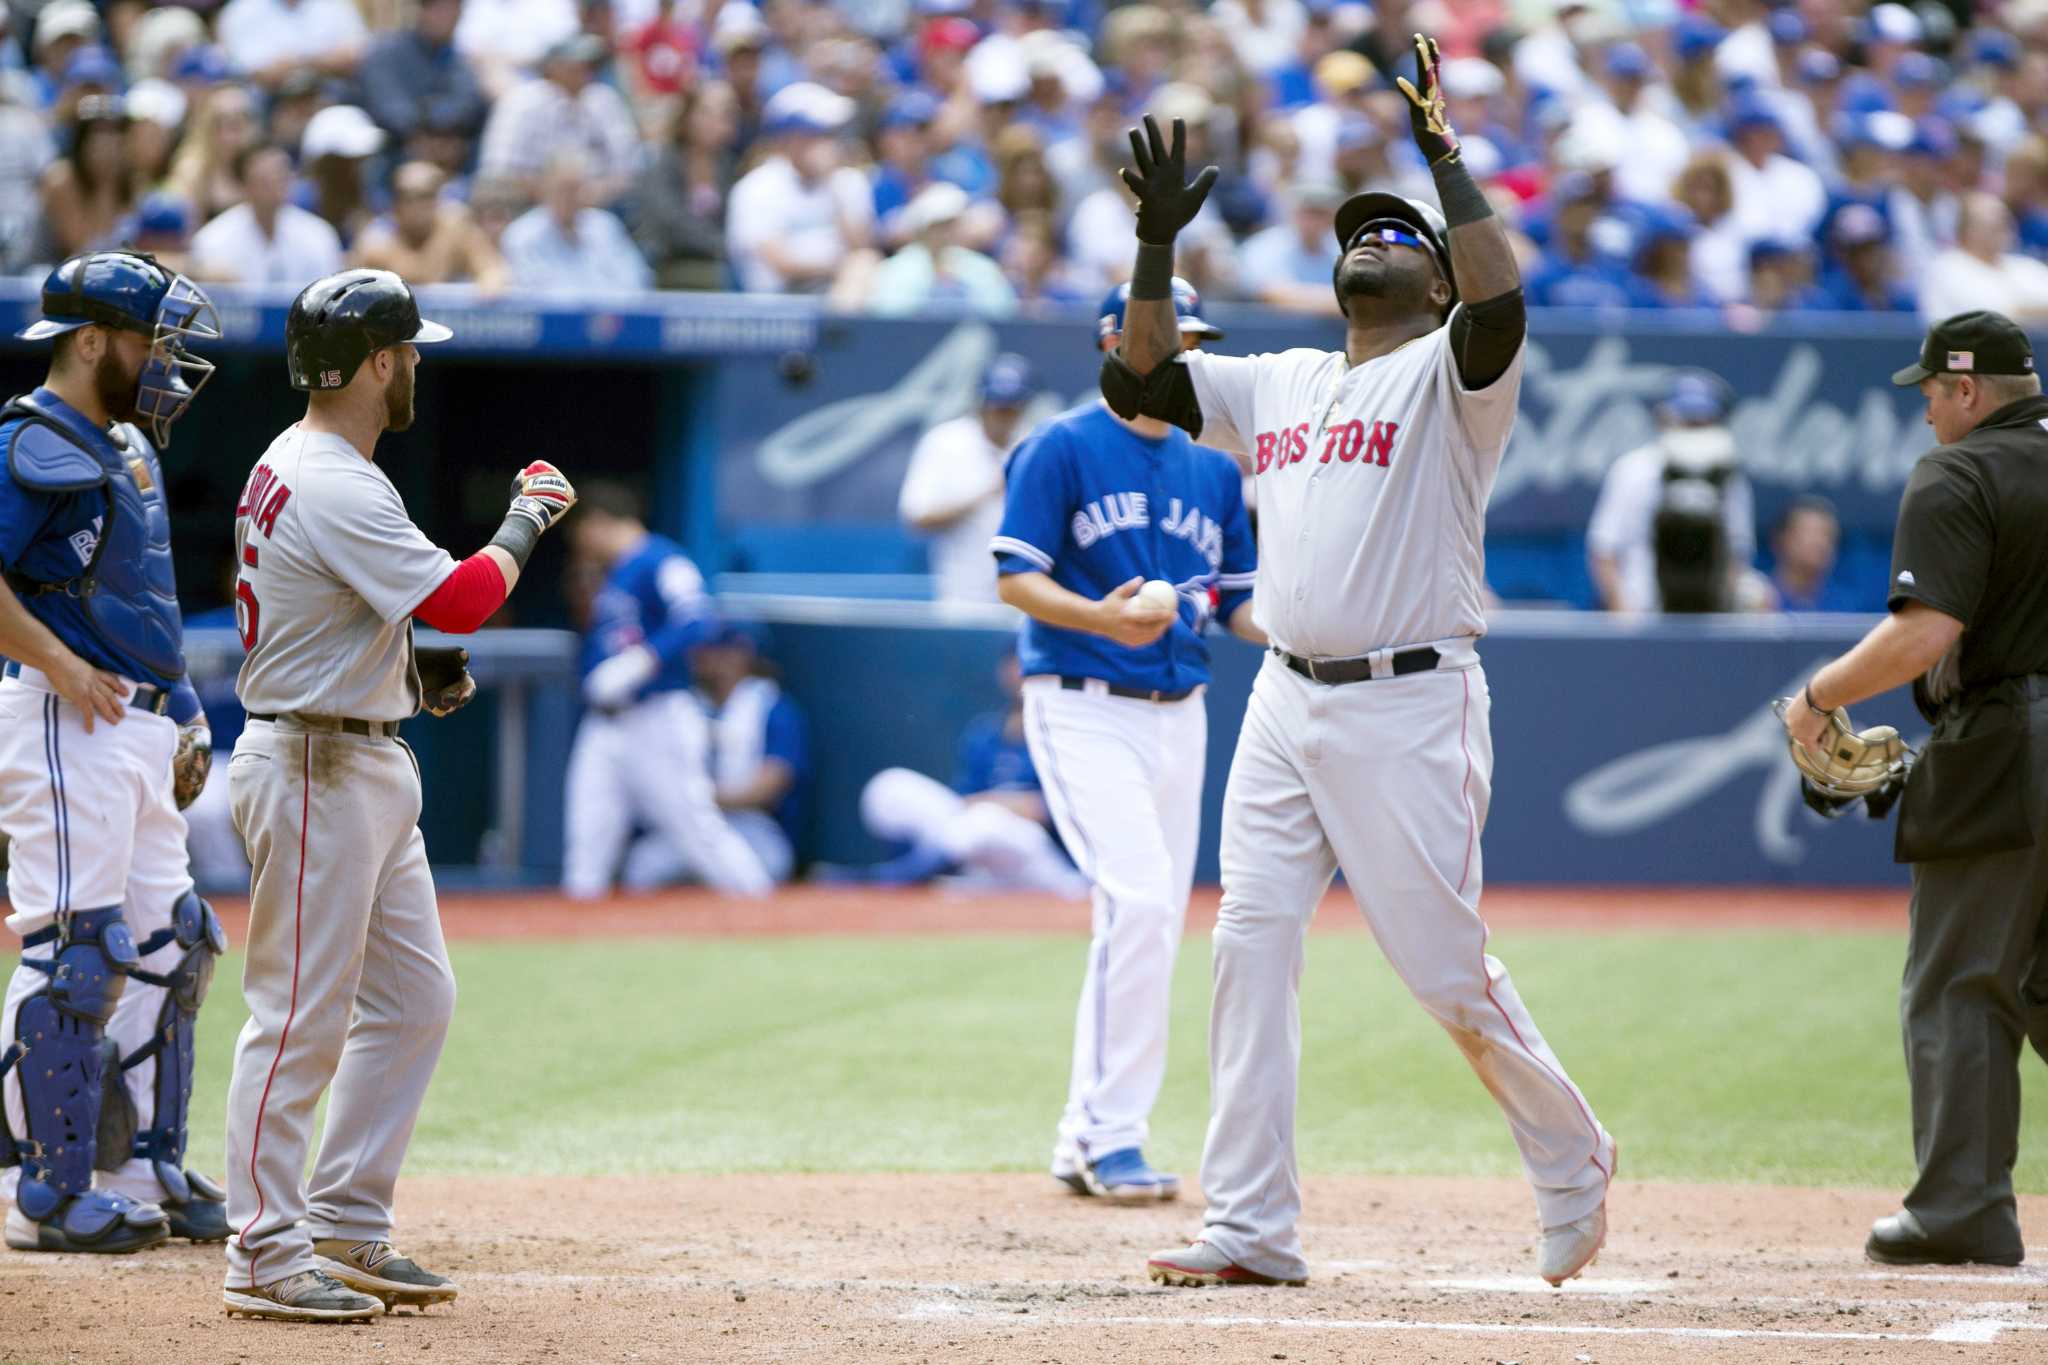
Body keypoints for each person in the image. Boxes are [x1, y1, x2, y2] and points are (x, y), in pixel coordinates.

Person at [1106, 40, 1615, 1292]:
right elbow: (1142, 380)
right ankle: (1250, 1226)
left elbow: (1503, 306)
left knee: (1442, 968)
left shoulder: (1452, 372)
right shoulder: (1278, 378)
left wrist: (1441, 156)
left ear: (1436, 283)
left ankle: (1571, 1163)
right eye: (1357, 229)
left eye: (1400, 235)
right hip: (1285, 695)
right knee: (1246, 943)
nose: (1371, 238)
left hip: (1410, 698)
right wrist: (1156, 249)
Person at [221, 270, 576, 1321]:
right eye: (409, 350)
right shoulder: (331, 475)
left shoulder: (309, 463)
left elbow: (329, 613)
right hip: (315, 764)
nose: (417, 363)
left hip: (355, 746)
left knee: (415, 1000)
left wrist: (408, 667)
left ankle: (341, 1217)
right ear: (377, 361)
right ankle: (264, 1251)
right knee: (294, 1023)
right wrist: (527, 517)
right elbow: (466, 594)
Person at [1780, 310, 2048, 1268]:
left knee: (1962, 984)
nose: (1927, 406)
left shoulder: (1959, 470)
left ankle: (1963, 1209)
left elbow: (1924, 632)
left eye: (1933, 389)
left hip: (2011, 741)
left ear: (1969, 390)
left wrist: (1815, 698)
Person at [993, 274, 1260, 1205]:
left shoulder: (1216, 465)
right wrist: (1101, 622)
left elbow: (1237, 605)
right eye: (1168, 335)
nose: (1184, 351)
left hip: (1178, 710)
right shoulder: (1061, 446)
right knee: (1142, 901)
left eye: (1194, 339)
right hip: (1079, 701)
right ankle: (1109, 1136)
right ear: (1118, 343)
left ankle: (1087, 1134)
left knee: (1151, 914)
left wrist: (1325, 622)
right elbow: (1014, 581)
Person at [0, 251, 227, 1254]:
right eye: (152, 342)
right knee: (77, 952)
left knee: (175, 942)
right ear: (92, 342)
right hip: (64, 712)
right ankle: (47, 1195)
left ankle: (141, 1166)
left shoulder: (125, 441)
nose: (167, 363)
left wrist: (182, 708)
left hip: (134, 717)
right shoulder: (31, 437)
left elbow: (142, 596)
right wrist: (59, 664)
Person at [561, 481, 773, 900]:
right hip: (606, 724)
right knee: (587, 840)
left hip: (658, 715)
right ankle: (576, 940)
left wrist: (642, 661)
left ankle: (761, 909)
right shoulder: (616, 572)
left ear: (600, 523)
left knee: (697, 829)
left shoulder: (662, 558)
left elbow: (698, 618)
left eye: (583, 532)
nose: (582, 544)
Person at [854, 650, 1087, 898]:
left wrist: (992, 804)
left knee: (987, 820)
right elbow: (962, 799)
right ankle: (925, 867)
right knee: (891, 785)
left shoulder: (1067, 735)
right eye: (1015, 662)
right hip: (977, 848)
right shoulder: (986, 731)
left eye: (1030, 663)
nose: (1021, 672)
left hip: (1047, 864)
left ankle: (901, 876)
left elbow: (1048, 810)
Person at [622, 624, 810, 887]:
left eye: (716, 649)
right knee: (643, 868)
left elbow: (772, 782)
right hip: (690, 825)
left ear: (741, 653)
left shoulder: (770, 705)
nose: (703, 656)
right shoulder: (683, 705)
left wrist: (699, 797)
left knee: (765, 866)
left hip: (750, 826)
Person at [1587, 370, 1759, 614]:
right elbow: (1604, 549)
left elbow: (1737, 555)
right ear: (1665, 418)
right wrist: (1623, 614)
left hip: (1708, 616)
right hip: (1643, 614)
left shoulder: (1731, 478)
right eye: (1686, 419)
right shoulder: (1633, 470)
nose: (1693, 428)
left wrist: (1724, 615)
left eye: (1702, 421)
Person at [899, 352, 1035, 604]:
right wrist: (987, 490)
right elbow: (917, 516)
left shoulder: (1035, 444)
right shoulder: (946, 442)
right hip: (962, 598)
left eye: (1011, 408)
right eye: (997, 407)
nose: (1003, 416)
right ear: (980, 404)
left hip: (1024, 600)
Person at [189, 144, 344, 285]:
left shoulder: (319, 235)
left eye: (281, 176)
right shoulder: (213, 240)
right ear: (244, 185)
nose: (275, 184)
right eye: (264, 179)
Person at [500, 151, 652, 293]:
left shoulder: (605, 225)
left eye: (579, 188)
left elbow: (637, 280)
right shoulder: (522, 235)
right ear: (545, 188)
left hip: (611, 317)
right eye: (565, 189)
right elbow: (536, 295)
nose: (573, 197)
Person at [352, 161, 508, 289]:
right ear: (395, 204)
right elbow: (355, 289)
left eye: (426, 196)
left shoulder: (457, 229)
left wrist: (490, 281)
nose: (418, 206)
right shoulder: (376, 242)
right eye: (408, 198)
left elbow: (492, 269)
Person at [1768, 496, 1858, 612]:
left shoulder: (1845, 606)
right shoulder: (1758, 601)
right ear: (1781, 540)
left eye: (1827, 535)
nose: (1819, 543)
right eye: (1809, 533)